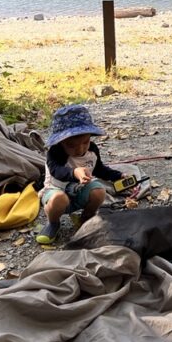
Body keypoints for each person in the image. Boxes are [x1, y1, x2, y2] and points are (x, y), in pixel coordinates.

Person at [36, 104, 123, 245]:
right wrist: (74, 172)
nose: (80, 149)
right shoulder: (55, 152)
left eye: (85, 142)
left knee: (99, 191)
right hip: (56, 190)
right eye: (72, 145)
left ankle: (86, 217)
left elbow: (99, 169)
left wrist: (118, 176)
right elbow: (56, 170)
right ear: (61, 142)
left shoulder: (92, 150)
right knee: (59, 199)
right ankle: (53, 223)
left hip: (80, 192)